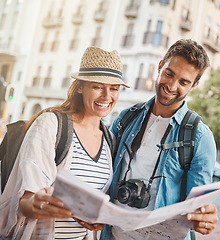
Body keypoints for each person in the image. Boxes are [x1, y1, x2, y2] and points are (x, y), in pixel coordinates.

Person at [0, 46, 129, 239]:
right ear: (79, 87)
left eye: (114, 88)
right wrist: (38, 204)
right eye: (97, 86)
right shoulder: (50, 124)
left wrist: (96, 218)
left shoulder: (109, 139)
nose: (107, 96)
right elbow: (25, 201)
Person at [100, 39, 218, 239]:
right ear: (160, 65)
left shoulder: (200, 137)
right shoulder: (126, 117)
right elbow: (104, 174)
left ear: (195, 85)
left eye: (183, 82)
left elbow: (198, 208)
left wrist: (205, 218)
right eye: (169, 74)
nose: (171, 86)